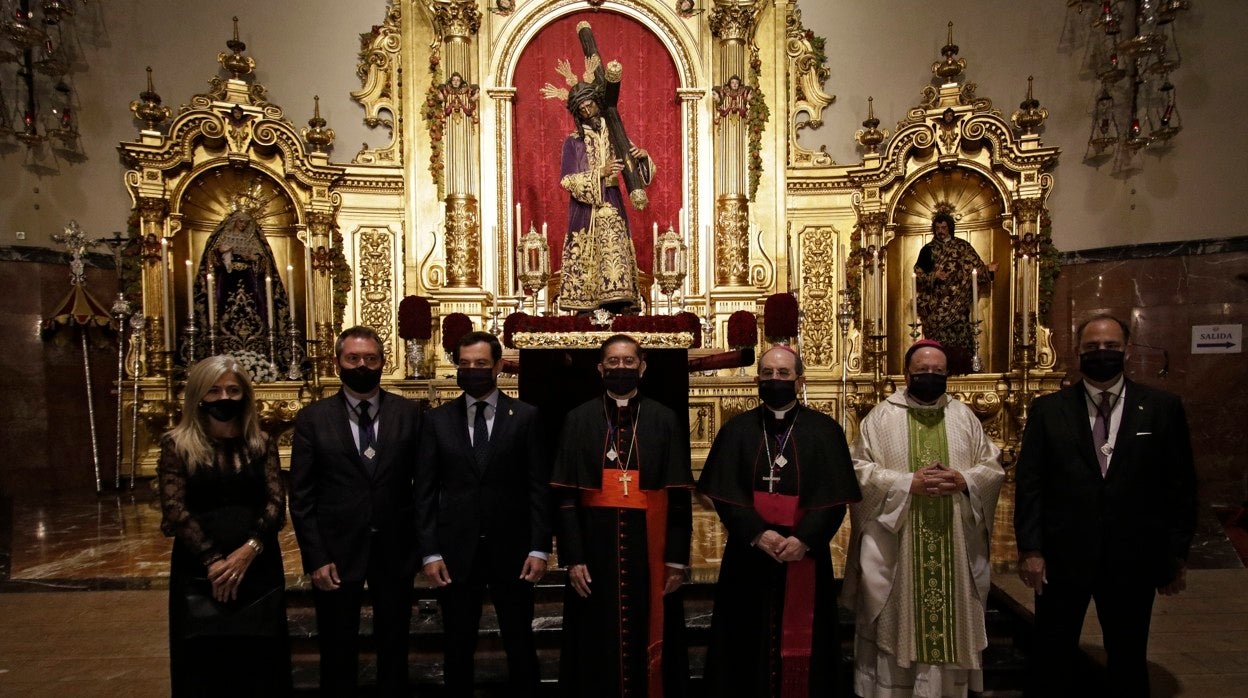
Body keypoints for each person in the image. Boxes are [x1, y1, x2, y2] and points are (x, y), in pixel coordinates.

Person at [1015, 314, 1198, 696]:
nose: (1102, 353)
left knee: (1128, 657)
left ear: (1127, 350)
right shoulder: (1049, 410)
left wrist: (1175, 555)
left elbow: (1179, 485)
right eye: (1092, 348)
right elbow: (1031, 484)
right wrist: (1030, 549)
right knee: (1052, 657)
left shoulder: (1161, 407)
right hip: (1063, 558)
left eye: (1111, 347)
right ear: (1078, 352)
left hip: (1133, 558)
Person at [841, 339, 1005, 698]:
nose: (930, 377)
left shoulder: (963, 417)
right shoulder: (881, 417)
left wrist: (965, 480)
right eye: (922, 372)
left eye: (937, 372)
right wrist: (906, 483)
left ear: (947, 375)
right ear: (906, 374)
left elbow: (991, 468)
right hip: (899, 546)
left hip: (955, 544)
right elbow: (859, 473)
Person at [697, 344, 861, 696]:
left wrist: (804, 539)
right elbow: (725, 496)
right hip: (749, 553)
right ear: (757, 379)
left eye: (784, 374)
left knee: (806, 646)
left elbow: (833, 500)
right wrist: (758, 535)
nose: (775, 380)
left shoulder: (824, 431)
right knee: (743, 640)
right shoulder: (738, 430)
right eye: (768, 373)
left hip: (805, 553)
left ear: (799, 381)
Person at [551, 333, 694, 697]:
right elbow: (566, 497)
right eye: (613, 362)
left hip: (650, 546)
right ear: (600, 369)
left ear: (642, 367)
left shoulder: (664, 419)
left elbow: (679, 496)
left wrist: (676, 559)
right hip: (596, 549)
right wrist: (573, 558)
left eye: (629, 361)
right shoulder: (578, 419)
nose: (621, 368)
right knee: (595, 636)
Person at [289, 326, 423, 696]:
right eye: (353, 358)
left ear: (383, 362)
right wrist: (316, 557)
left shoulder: (409, 413)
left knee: (395, 643)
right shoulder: (312, 419)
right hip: (335, 552)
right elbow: (301, 496)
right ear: (338, 363)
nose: (362, 365)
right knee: (336, 645)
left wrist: (422, 549)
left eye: (371, 359)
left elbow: (424, 487)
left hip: (395, 550)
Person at [416, 330, 551, 697]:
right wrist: (429, 552)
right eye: (464, 364)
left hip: (514, 551)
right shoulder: (436, 420)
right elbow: (425, 492)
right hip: (455, 552)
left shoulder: (525, 416)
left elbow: (539, 487)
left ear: (498, 367)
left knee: (520, 642)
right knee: (457, 645)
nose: (471, 371)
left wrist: (540, 548)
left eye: (480, 364)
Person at [157, 354, 290, 696]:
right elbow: (175, 508)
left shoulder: (261, 443)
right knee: (204, 664)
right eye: (214, 391)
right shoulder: (177, 445)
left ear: (245, 395)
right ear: (198, 396)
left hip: (258, 566)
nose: (224, 398)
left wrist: (248, 551)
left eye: (232, 390)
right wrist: (215, 561)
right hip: (200, 568)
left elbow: (275, 503)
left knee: (260, 664)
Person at [555, 82, 652, 314]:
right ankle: (587, 303)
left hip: (613, 200)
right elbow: (567, 180)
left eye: (590, 105)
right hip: (586, 211)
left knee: (616, 251)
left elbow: (633, 172)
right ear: (577, 113)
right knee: (589, 252)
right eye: (582, 109)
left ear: (597, 104)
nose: (588, 112)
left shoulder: (615, 133)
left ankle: (621, 300)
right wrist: (601, 172)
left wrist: (642, 157)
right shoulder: (573, 141)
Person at [914, 212, 996, 374]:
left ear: (950, 228)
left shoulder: (963, 247)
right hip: (936, 311)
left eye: (944, 227)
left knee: (960, 348)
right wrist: (933, 276)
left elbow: (976, 270)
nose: (940, 231)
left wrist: (988, 270)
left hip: (958, 309)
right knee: (938, 346)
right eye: (937, 228)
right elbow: (917, 274)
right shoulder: (928, 250)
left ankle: (963, 373)